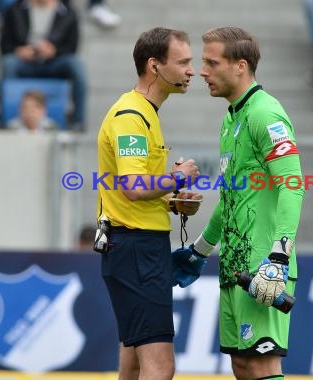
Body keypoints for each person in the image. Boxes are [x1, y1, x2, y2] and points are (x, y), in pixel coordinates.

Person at [171, 27, 305, 380]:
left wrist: (279, 254)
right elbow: (233, 197)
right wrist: (201, 250)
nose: (201, 72)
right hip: (234, 266)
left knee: (263, 363)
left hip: (264, 268)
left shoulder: (265, 114)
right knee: (243, 365)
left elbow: (293, 185)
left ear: (240, 66)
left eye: (211, 63)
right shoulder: (232, 118)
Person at [95, 27, 202, 380]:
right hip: (137, 249)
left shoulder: (144, 111)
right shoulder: (131, 117)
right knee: (160, 365)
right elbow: (133, 186)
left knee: (134, 359)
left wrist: (173, 202)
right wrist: (179, 177)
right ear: (155, 66)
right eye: (183, 62)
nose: (192, 70)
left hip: (134, 245)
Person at [1, 0, 87, 130]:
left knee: (76, 65)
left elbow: (72, 46)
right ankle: (4, 118)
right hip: (24, 62)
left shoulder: (68, 11)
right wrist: (18, 50)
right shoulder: (15, 9)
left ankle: (78, 120)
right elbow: (4, 45)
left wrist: (55, 50)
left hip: (54, 62)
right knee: (9, 63)